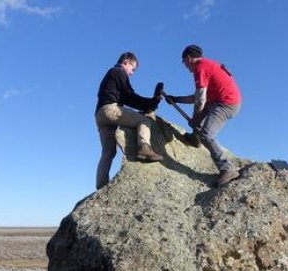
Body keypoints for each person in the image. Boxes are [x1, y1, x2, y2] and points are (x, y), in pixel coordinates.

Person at [165, 44, 242, 187]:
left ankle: (227, 168)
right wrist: (176, 99)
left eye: (184, 63)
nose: (185, 67)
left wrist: (195, 118)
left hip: (226, 104)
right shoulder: (208, 65)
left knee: (207, 134)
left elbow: (200, 99)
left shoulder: (200, 67)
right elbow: (198, 97)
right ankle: (195, 138)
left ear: (188, 58)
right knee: (199, 125)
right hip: (218, 101)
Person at [94, 51, 163, 189]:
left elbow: (127, 98)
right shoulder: (119, 72)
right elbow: (130, 96)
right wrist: (150, 103)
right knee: (144, 121)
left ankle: (101, 186)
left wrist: (148, 104)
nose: (132, 73)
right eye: (133, 68)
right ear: (125, 62)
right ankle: (144, 148)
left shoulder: (112, 75)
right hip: (110, 109)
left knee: (108, 152)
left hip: (100, 115)